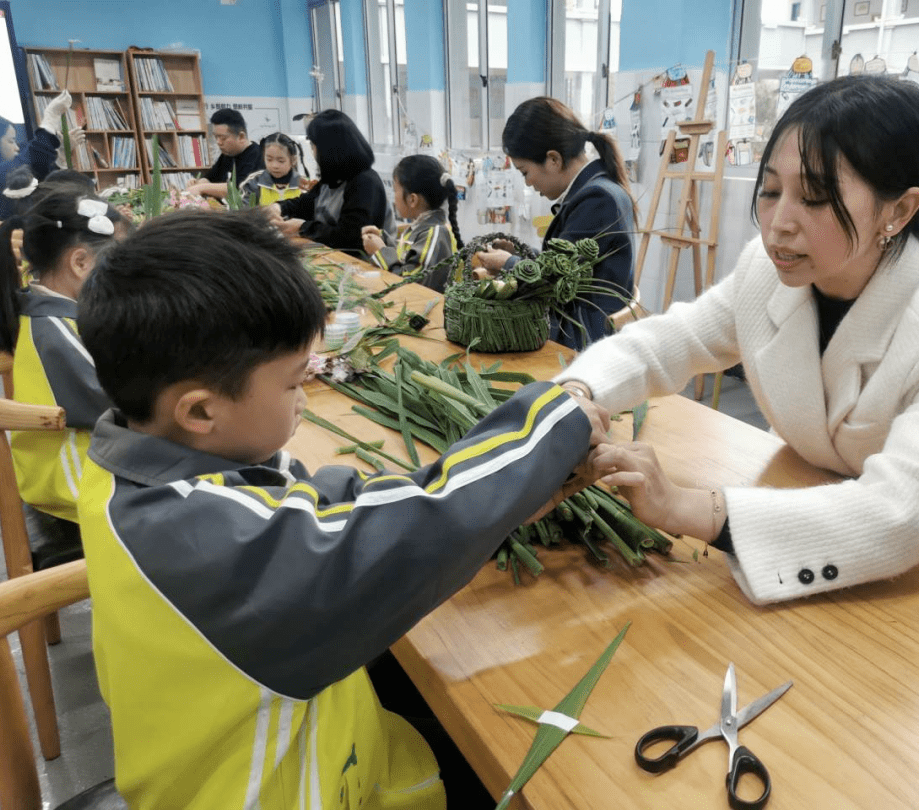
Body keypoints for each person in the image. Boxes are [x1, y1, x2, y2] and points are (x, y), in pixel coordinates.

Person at [74, 208, 608, 809]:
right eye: (295, 381)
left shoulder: (136, 461)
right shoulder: (201, 541)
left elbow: (314, 511)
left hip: (306, 738)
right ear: (200, 411)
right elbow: (410, 533)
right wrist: (556, 418)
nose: (305, 396)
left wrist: (513, 500)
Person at [555, 75, 919, 605]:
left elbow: (901, 513)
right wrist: (574, 397)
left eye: (814, 198)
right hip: (813, 508)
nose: (776, 226)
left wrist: (683, 507)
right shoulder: (768, 274)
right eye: (770, 192)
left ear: (899, 211)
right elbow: (668, 341)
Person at [0, 189, 127, 526]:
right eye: (117, 266)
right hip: (76, 489)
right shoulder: (54, 329)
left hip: (72, 475)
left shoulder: (45, 311)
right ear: (79, 263)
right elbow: (123, 406)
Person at [476, 97, 637, 349]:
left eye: (525, 172)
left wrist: (508, 264)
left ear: (553, 159)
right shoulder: (596, 190)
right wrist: (520, 254)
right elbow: (565, 265)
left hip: (581, 341)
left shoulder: (597, 199)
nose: (528, 183)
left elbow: (553, 281)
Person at [265, 109, 394, 252]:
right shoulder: (332, 178)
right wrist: (279, 207)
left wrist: (303, 227)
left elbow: (350, 237)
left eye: (314, 147)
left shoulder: (365, 182)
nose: (313, 153)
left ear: (329, 150)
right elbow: (305, 203)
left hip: (366, 265)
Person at [361, 154, 463, 291]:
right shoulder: (422, 227)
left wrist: (381, 251)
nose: (393, 196)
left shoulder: (435, 234)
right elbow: (407, 259)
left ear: (412, 200)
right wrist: (382, 239)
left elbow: (409, 285)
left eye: (395, 190)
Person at [0, 90, 73, 220]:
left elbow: (41, 177)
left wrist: (61, 153)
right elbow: (30, 161)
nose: (17, 147)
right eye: (11, 141)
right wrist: (51, 118)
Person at [185, 108, 264, 199]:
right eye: (216, 137)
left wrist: (201, 188)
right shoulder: (227, 154)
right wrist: (199, 182)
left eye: (223, 138)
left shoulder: (257, 156)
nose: (218, 142)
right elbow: (210, 177)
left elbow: (237, 189)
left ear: (241, 137)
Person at [239, 131, 307, 207]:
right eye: (269, 159)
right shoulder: (254, 183)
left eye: (281, 161)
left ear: (293, 160)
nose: (275, 166)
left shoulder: (304, 184)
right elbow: (245, 212)